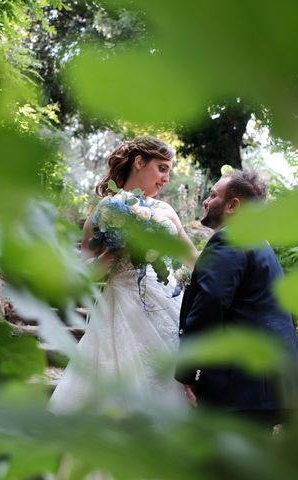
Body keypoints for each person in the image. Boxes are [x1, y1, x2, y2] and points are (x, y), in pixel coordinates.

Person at [48, 136, 199, 415]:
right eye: (162, 168)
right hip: (120, 309)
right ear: (139, 162)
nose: (166, 178)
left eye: (169, 171)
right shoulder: (104, 212)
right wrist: (113, 254)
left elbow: (193, 260)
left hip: (168, 305)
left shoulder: (167, 212)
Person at [174, 170, 298, 426]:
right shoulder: (261, 243)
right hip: (266, 384)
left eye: (213, 195)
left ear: (233, 205)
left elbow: (210, 303)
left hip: (240, 385)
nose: (205, 200)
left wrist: (188, 370)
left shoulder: (228, 241)